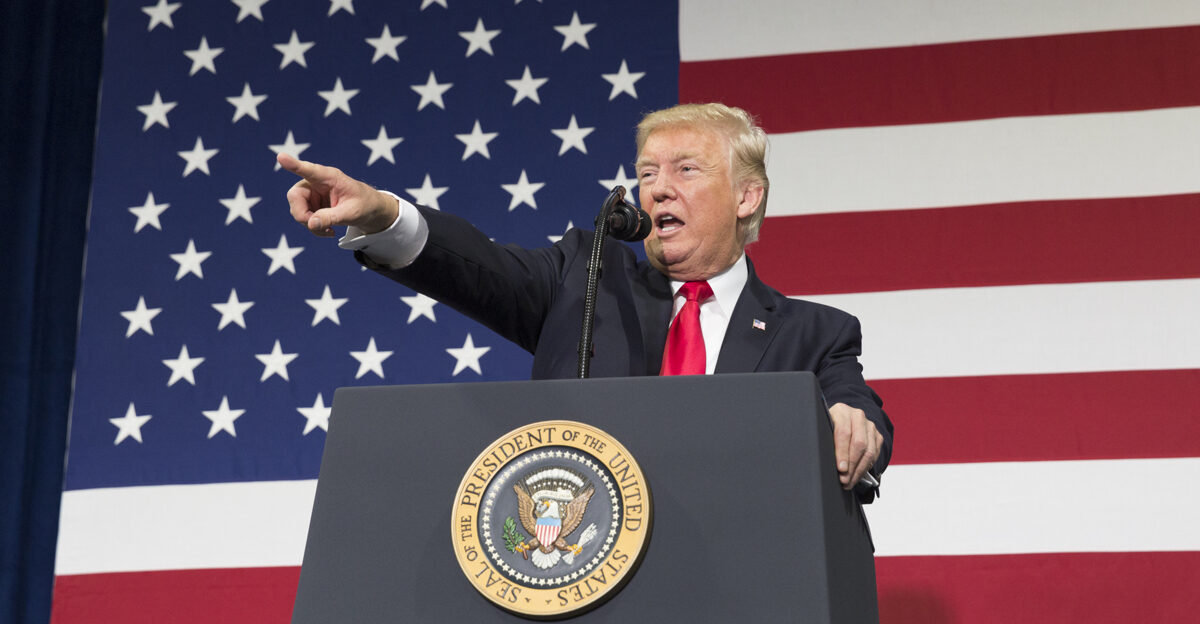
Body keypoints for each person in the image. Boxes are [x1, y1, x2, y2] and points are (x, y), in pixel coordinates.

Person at [279, 103, 893, 498]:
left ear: (747, 197)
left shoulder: (816, 332)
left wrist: (853, 426)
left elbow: (859, 410)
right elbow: (476, 267)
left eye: (685, 170)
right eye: (647, 173)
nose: (658, 189)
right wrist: (386, 214)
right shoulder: (585, 277)